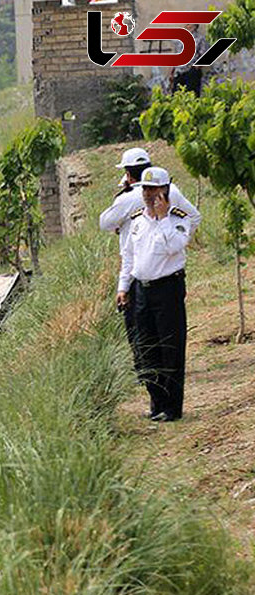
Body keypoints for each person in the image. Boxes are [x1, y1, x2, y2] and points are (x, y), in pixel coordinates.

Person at [99, 147, 198, 389]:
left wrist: (174, 237)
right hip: (140, 270)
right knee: (152, 335)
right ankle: (156, 387)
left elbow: (104, 222)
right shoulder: (167, 195)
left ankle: (153, 380)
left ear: (128, 175)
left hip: (156, 276)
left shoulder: (128, 199)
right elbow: (194, 217)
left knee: (146, 334)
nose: (148, 194)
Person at [120, 167, 193, 422]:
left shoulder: (178, 220)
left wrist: (162, 219)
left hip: (167, 289)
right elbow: (128, 257)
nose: (148, 194)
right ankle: (156, 401)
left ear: (165, 190)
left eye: (153, 189)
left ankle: (172, 408)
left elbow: (174, 247)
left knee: (170, 347)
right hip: (141, 289)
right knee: (146, 349)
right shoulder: (138, 220)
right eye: (145, 189)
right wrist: (123, 286)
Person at [168, 23, 209, 97]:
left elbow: (204, 55)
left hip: (191, 71)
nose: (187, 26)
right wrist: (172, 72)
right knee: (176, 95)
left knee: (192, 95)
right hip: (179, 71)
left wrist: (195, 68)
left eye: (189, 24)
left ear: (195, 26)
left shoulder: (200, 39)